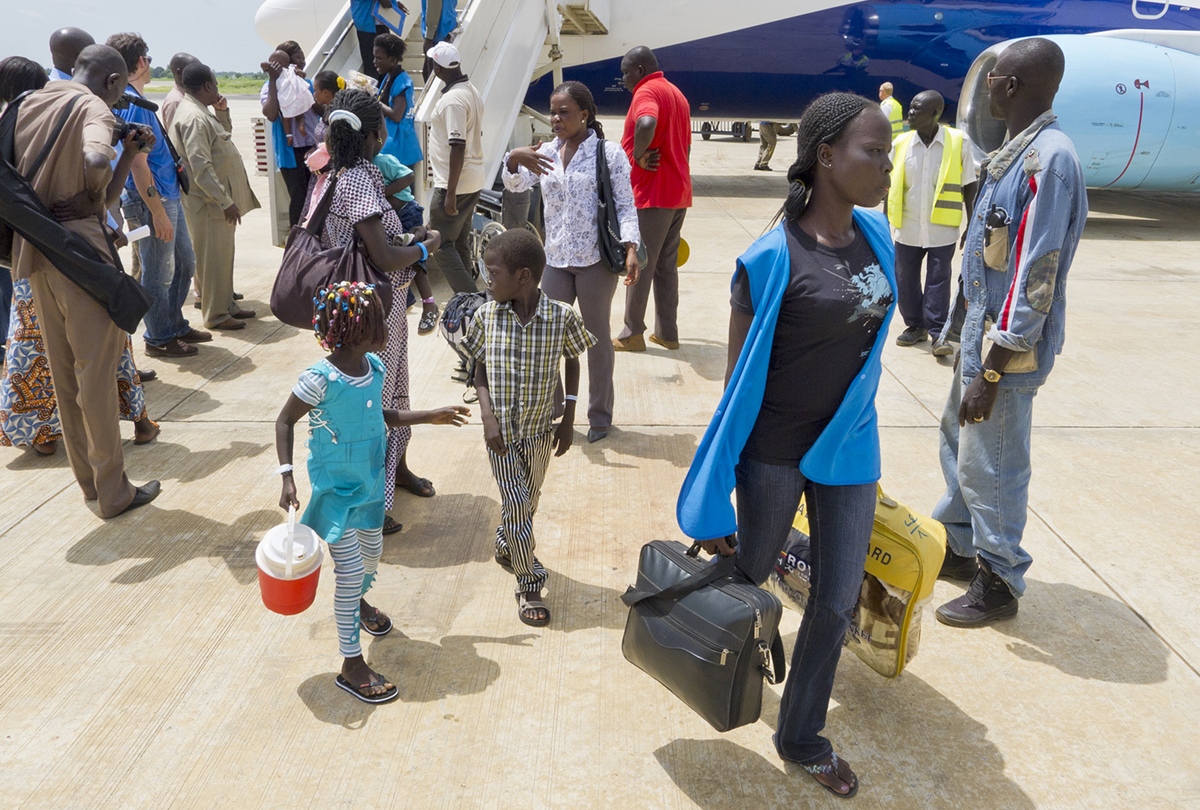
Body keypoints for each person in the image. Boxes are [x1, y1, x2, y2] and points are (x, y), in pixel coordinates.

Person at [677, 93, 897, 799]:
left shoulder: (879, 239)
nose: (887, 165)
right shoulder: (769, 259)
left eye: (888, 151)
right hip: (772, 453)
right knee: (748, 578)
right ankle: (709, 668)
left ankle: (801, 735)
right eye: (875, 151)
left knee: (835, 602)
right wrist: (720, 498)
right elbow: (738, 388)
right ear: (826, 156)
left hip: (849, 449)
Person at [932, 38, 1087, 627]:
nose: (987, 85)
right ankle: (962, 543)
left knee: (992, 460)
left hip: (1007, 347)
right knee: (959, 443)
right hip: (981, 335)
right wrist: (961, 336)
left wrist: (994, 367)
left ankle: (998, 577)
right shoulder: (1013, 154)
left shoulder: (1050, 161)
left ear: (1013, 86)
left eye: (993, 77)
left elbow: (1037, 273)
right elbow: (985, 250)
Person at [276, 280, 468, 704]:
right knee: (347, 575)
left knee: (371, 559)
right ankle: (351, 663)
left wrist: (428, 416)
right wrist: (287, 476)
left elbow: (378, 415)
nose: (387, 327)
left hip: (370, 489)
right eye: (380, 321)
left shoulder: (374, 368)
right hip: (336, 495)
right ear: (355, 329)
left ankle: (358, 602)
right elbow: (285, 421)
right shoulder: (319, 379)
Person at [8, 44, 162, 516]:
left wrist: (125, 155)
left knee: (64, 373)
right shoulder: (94, 106)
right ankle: (114, 492)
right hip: (82, 260)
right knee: (94, 375)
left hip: (35, 252)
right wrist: (97, 177)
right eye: (119, 94)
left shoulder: (29, 102)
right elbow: (95, 158)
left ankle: (91, 485)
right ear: (113, 82)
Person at [318, 88, 442, 532]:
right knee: (375, 404)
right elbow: (385, 257)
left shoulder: (349, 174)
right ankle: (370, 502)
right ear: (375, 133)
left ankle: (397, 472)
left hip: (377, 312)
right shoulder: (354, 180)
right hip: (370, 316)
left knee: (395, 391)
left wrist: (408, 245)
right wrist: (425, 247)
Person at [464, 229, 596, 626]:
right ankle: (529, 582)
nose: (488, 279)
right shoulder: (487, 315)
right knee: (519, 504)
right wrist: (487, 416)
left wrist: (570, 415)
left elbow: (574, 359)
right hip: (500, 435)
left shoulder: (560, 317)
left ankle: (508, 545)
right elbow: (478, 366)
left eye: (493, 272)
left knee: (528, 500)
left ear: (523, 276)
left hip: (540, 431)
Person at [502, 81, 640, 444]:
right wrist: (515, 157)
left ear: (585, 114)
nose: (556, 118)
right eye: (553, 111)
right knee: (544, 335)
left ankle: (599, 416)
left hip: (594, 261)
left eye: (564, 112)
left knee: (596, 340)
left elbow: (625, 204)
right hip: (556, 259)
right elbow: (516, 186)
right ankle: (554, 406)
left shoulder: (607, 154)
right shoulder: (546, 151)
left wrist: (631, 247)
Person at [108, 32, 208, 359]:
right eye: (148, 58)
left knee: (184, 263)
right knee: (157, 272)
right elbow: (138, 165)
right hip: (152, 201)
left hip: (166, 195)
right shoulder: (131, 105)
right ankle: (158, 336)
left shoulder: (137, 100)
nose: (150, 64)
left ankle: (174, 323)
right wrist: (157, 210)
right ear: (139, 62)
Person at [612, 46, 692, 353]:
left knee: (639, 262)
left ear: (640, 70)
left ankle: (632, 332)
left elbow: (646, 123)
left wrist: (637, 156)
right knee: (665, 266)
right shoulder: (676, 93)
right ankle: (667, 333)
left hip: (653, 193)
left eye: (625, 72)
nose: (624, 79)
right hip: (677, 193)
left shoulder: (646, 92)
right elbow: (684, 146)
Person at [169, 63, 259, 332]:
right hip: (208, 205)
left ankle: (227, 305)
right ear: (207, 86)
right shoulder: (194, 117)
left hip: (215, 203)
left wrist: (222, 113)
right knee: (212, 260)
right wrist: (225, 201)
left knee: (223, 257)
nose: (218, 89)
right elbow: (201, 167)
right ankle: (216, 315)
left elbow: (223, 139)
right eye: (216, 84)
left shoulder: (202, 112)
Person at [887, 90, 977, 354]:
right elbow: (888, 186)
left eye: (916, 109)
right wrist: (884, 221)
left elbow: (970, 185)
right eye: (910, 108)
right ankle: (915, 326)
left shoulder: (958, 141)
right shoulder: (901, 142)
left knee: (938, 280)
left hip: (942, 228)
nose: (909, 113)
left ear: (934, 114)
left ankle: (938, 333)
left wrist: (972, 224)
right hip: (907, 227)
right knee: (905, 279)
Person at [425, 42, 484, 295]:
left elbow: (457, 145)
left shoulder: (453, 100)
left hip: (455, 183)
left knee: (438, 244)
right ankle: (471, 295)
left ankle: (471, 300)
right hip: (471, 180)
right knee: (459, 242)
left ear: (438, 67)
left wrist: (450, 191)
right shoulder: (471, 90)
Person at [261, 41, 320, 227]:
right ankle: (298, 241)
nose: (302, 62)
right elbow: (270, 114)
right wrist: (273, 79)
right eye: (298, 58)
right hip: (290, 151)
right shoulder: (270, 86)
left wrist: (302, 84)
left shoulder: (307, 83)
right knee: (299, 197)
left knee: (316, 196)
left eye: (303, 57)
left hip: (312, 148)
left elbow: (320, 109)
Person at [374, 33, 423, 173]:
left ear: (392, 59)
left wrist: (374, 102)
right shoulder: (388, 77)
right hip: (392, 147)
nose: (374, 62)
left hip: (400, 149)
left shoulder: (402, 81)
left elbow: (396, 115)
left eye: (379, 58)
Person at [350, 0, 407, 81]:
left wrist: (393, 5)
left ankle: (388, 89)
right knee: (372, 67)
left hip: (383, 21)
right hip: (367, 25)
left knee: (389, 63)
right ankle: (375, 92)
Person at [160, 53, 199, 131]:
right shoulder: (176, 101)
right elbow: (176, 137)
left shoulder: (189, 97)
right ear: (179, 74)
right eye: (195, 71)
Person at [421, 0, 458, 81]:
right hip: (448, 28)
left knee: (431, 77)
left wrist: (429, 36)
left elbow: (434, 6)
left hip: (437, 35)